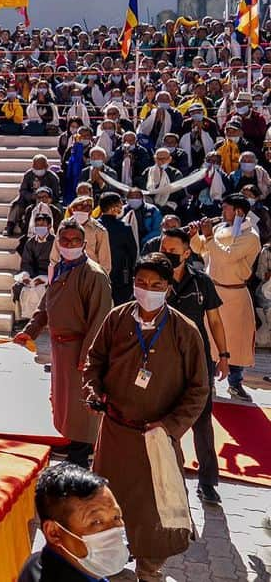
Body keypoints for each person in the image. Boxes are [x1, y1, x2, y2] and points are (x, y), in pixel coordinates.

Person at [83, 255, 209, 582]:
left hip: (157, 438)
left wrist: (169, 427)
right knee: (105, 501)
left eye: (156, 285)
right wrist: (94, 389)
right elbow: (94, 361)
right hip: (114, 433)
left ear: (168, 288)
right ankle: (108, 563)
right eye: (141, 283)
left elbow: (199, 389)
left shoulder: (185, 330)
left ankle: (150, 570)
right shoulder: (117, 318)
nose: (147, 290)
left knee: (155, 509)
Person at [15, 219, 112, 468]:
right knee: (64, 401)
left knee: (80, 404)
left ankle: (81, 454)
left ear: (85, 243)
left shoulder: (94, 275)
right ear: (58, 242)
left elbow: (100, 320)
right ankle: (73, 442)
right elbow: (47, 302)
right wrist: (31, 330)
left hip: (80, 349)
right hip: (60, 349)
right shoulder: (59, 267)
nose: (70, 245)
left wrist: (88, 358)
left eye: (75, 241)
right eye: (65, 240)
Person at [159, 229, 231, 505]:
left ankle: (208, 483)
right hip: (162, 360)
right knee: (161, 418)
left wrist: (223, 355)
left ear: (187, 252)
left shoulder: (201, 282)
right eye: (164, 248)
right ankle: (164, 479)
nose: (167, 254)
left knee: (202, 422)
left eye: (173, 251)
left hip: (197, 361)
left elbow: (214, 320)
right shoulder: (154, 278)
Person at [187, 193, 260, 402]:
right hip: (213, 290)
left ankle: (235, 383)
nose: (222, 212)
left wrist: (208, 237)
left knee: (235, 341)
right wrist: (195, 235)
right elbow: (202, 250)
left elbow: (227, 257)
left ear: (238, 211)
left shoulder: (251, 236)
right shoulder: (220, 229)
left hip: (235, 294)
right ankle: (208, 382)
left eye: (226, 208)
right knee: (209, 338)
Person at [17, 464, 128, 582]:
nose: (114, 529)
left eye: (116, 517)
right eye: (96, 522)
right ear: (53, 532)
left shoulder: (40, 561)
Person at [97, 193, 138, 305]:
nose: (122, 207)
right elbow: (132, 253)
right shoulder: (124, 228)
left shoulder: (94, 226)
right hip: (120, 276)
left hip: (97, 274)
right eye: (120, 204)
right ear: (113, 207)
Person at [6, 155, 60, 237]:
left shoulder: (52, 177)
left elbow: (56, 194)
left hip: (46, 200)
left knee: (57, 207)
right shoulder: (28, 175)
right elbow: (22, 190)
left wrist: (47, 199)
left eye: (40, 168)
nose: (38, 171)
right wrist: (31, 196)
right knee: (17, 203)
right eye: (36, 168)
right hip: (31, 199)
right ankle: (10, 225)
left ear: (46, 166)